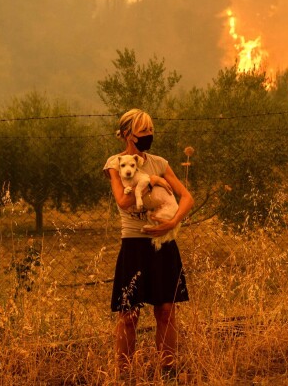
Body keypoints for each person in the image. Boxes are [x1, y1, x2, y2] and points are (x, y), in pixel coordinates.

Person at [103, 108, 194, 378]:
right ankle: (125, 375)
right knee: (129, 315)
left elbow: (187, 197)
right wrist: (152, 182)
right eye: (143, 131)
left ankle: (168, 372)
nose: (149, 135)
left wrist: (172, 222)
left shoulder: (160, 162)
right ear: (128, 134)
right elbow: (123, 200)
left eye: (151, 130)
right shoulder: (115, 163)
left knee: (166, 310)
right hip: (134, 243)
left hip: (164, 242)